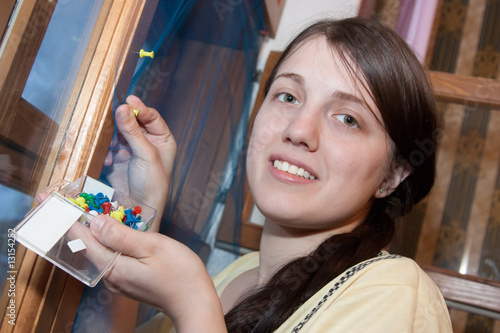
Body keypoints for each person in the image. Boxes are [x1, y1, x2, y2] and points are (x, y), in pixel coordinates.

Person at [84, 17, 452, 332]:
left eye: (348, 119)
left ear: (392, 175)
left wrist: (192, 302)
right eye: (288, 97)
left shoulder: (396, 291)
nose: (299, 130)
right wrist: (141, 211)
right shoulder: (239, 274)